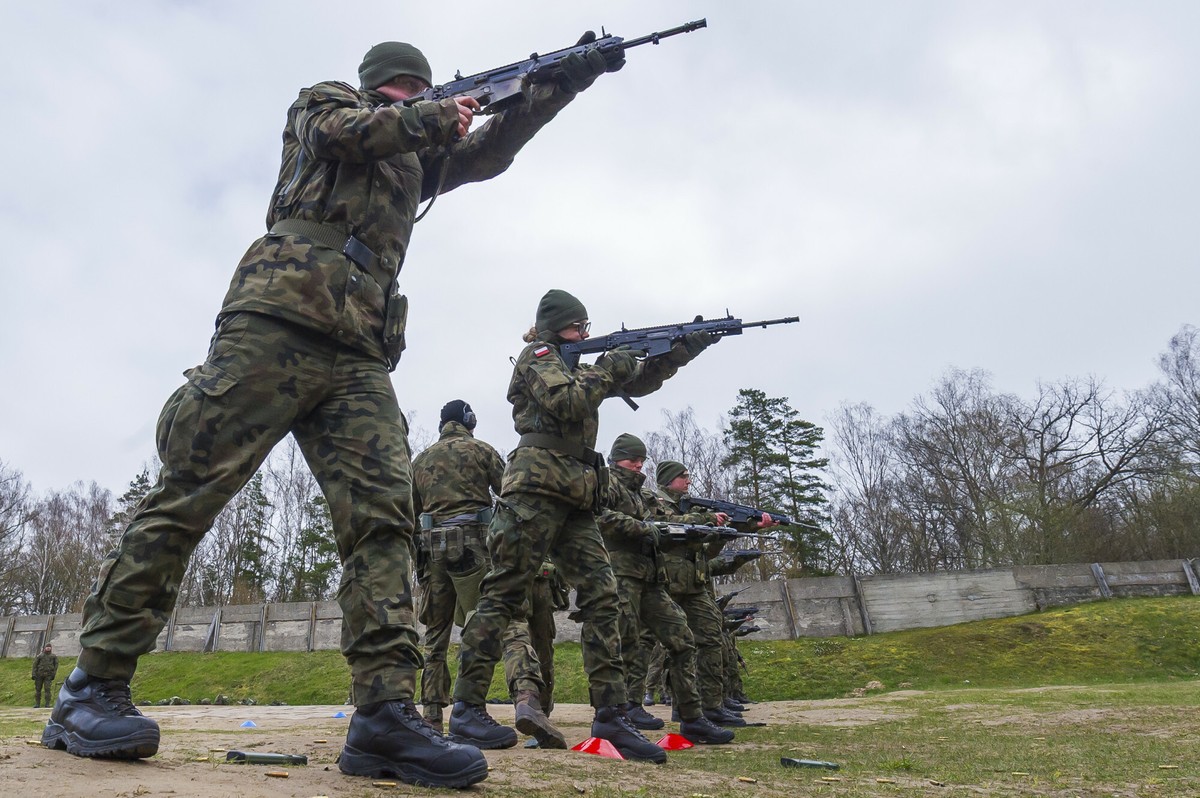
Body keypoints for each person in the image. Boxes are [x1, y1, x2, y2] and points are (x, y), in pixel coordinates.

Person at [43, 38, 620, 790]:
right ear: (378, 87)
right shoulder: (326, 104)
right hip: (274, 320)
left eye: (423, 87)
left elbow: (490, 153)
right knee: (190, 493)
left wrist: (558, 85)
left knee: (384, 517)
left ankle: (383, 713)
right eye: (401, 88)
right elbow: (351, 134)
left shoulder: (416, 157)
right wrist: (435, 111)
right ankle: (92, 687)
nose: (412, 97)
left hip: (359, 351)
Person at [448, 289, 716, 763]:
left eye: (587, 327)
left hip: (577, 497)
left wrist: (681, 351)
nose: (585, 335)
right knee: (504, 593)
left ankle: (611, 716)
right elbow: (568, 402)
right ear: (557, 328)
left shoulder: (578, 364)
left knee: (603, 594)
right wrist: (610, 363)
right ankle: (467, 708)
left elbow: (637, 381)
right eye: (579, 327)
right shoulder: (540, 356)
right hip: (534, 490)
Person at [412, 400, 563, 749]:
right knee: (506, 619)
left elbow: (410, 512)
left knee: (434, 636)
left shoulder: (420, 461)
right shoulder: (481, 450)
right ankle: (527, 699)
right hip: (474, 548)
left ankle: (432, 715)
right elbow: (510, 493)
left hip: (433, 553)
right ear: (469, 421)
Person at [597, 433, 733, 745]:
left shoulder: (644, 497)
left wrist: (705, 524)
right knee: (624, 644)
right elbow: (599, 518)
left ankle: (692, 718)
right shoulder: (605, 484)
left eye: (641, 459)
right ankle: (618, 713)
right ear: (617, 458)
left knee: (683, 640)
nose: (639, 464)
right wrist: (643, 529)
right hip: (620, 576)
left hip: (651, 579)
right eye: (633, 459)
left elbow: (669, 524)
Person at [650, 461, 746, 727]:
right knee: (676, 645)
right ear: (670, 480)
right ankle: (678, 706)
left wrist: (721, 533)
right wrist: (705, 520)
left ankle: (712, 705)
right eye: (684, 477)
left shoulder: (691, 507)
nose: (688, 481)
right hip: (667, 583)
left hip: (694, 585)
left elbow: (705, 551)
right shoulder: (656, 502)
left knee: (712, 637)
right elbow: (665, 527)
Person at [32, 644, 59, 709]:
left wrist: (53, 674)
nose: (48, 648)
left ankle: (47, 704)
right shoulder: (40, 656)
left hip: (48, 675)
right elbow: (35, 665)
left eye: (49, 647)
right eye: (47, 647)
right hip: (39, 675)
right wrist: (33, 674)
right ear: (45, 648)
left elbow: (56, 666)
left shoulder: (53, 656)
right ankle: (37, 703)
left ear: (51, 648)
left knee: (47, 689)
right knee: (38, 689)